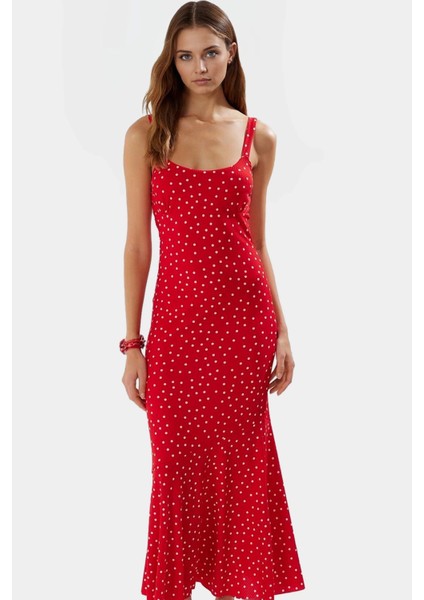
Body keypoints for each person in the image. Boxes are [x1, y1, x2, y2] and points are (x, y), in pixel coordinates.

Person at [120, 2, 305, 599]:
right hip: (177, 334)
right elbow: (138, 247)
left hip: (243, 329)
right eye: (185, 55)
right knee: (175, 470)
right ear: (172, 61)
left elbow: (257, 243)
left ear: (231, 52)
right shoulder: (147, 135)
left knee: (240, 472)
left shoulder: (258, 137)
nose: (199, 67)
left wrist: (282, 332)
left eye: (209, 52)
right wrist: (132, 343)